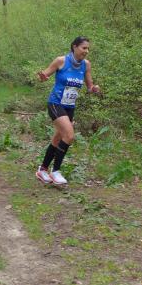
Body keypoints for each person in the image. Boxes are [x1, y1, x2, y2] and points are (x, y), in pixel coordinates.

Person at [35, 36, 100, 186]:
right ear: (74, 47)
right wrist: (43, 77)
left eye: (88, 48)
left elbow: (89, 87)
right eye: (84, 48)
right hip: (55, 103)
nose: (86, 51)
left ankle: (42, 170)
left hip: (70, 106)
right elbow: (45, 75)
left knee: (58, 138)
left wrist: (94, 89)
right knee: (69, 136)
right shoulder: (61, 61)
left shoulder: (86, 65)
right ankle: (55, 171)